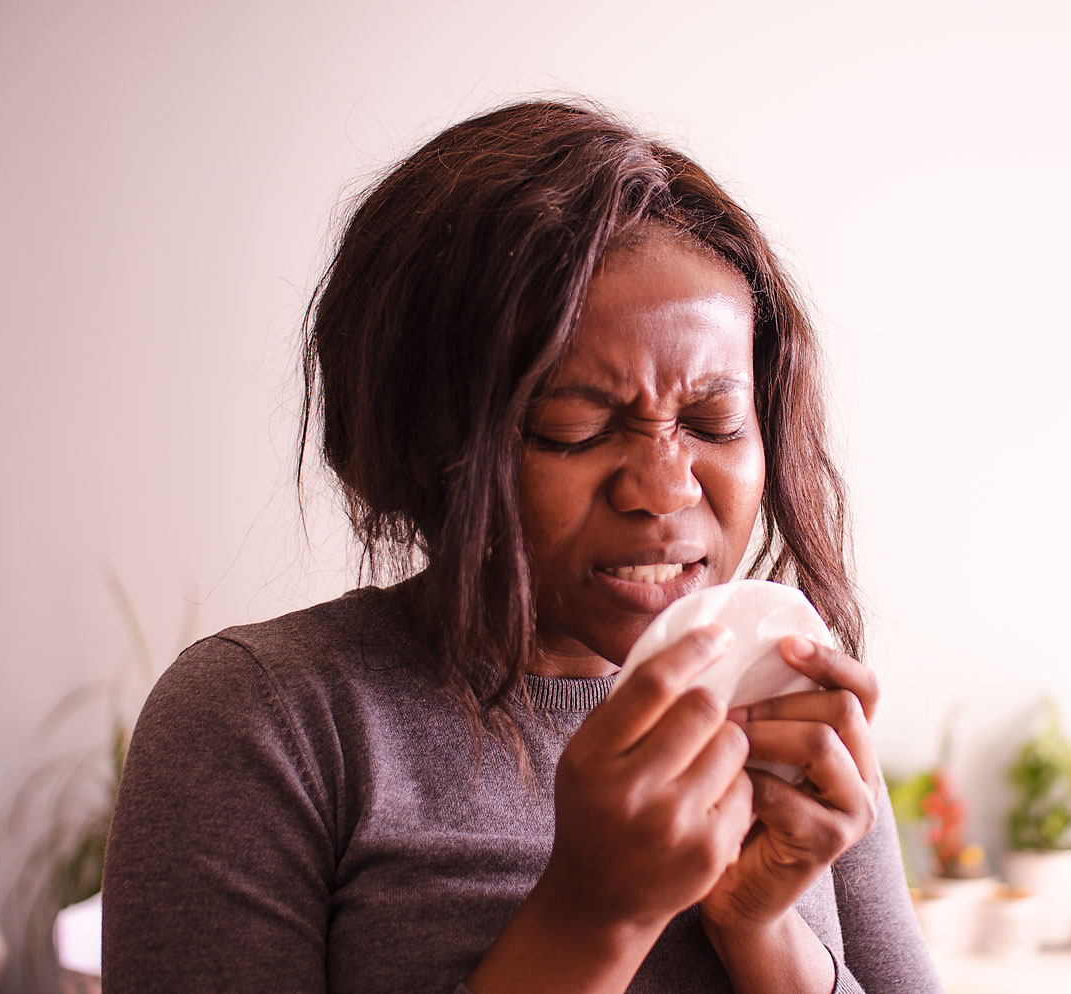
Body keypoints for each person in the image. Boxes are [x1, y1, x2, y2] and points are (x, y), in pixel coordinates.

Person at [101, 100, 941, 994]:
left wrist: (762, 927)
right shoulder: (268, 721)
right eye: (573, 428)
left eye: (713, 422)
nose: (664, 488)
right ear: (427, 443)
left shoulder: (786, 705)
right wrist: (593, 917)